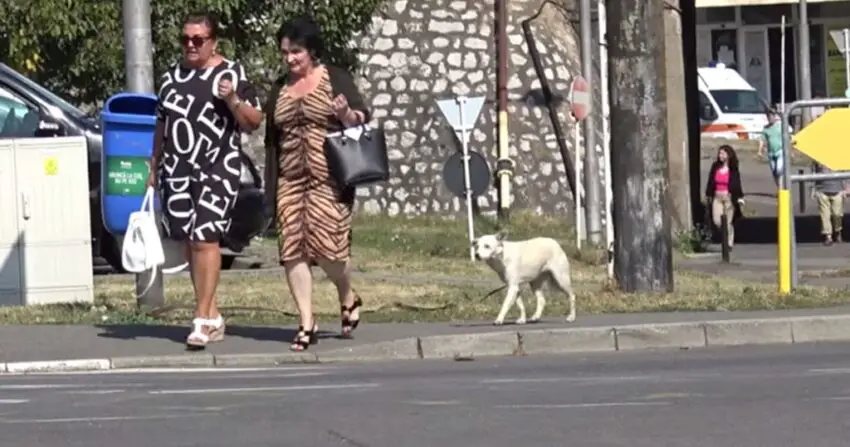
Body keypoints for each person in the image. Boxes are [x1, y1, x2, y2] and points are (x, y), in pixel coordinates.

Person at [147, 12, 264, 348]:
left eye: (198, 40)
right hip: (178, 169)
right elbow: (161, 124)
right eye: (185, 39)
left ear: (213, 42)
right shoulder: (171, 77)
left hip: (217, 167)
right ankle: (212, 314)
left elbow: (253, 121)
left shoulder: (231, 73)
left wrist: (232, 99)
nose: (190, 45)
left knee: (206, 237)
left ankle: (200, 321)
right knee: (188, 241)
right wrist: (153, 166)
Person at [264, 14, 370, 352]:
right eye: (285, 53)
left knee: (330, 252)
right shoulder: (280, 88)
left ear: (311, 51)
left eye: (296, 51)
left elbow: (360, 117)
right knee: (292, 250)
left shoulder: (334, 78)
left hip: (329, 179)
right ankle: (306, 320)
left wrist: (344, 115)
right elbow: (272, 135)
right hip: (290, 181)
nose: (290, 59)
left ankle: (346, 293)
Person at [705, 145, 745, 250]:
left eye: (722, 153)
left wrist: (739, 197)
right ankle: (726, 238)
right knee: (717, 221)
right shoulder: (715, 166)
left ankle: (729, 243)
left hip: (728, 197)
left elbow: (737, 183)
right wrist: (708, 194)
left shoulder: (733, 169)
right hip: (717, 197)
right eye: (719, 153)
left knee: (728, 222)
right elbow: (710, 181)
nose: (720, 155)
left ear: (728, 155)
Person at [812, 162, 849, 245]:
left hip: (838, 190)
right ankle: (828, 236)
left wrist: (847, 188)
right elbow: (813, 173)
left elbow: (846, 172)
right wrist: (814, 189)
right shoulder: (817, 157)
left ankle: (838, 230)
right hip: (822, 190)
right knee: (825, 215)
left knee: (837, 214)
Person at [758, 108, 785, 187]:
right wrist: (760, 151)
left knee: (779, 170)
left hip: (780, 151)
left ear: (774, 116)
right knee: (774, 172)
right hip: (771, 153)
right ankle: (779, 187)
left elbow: (787, 136)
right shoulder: (766, 128)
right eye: (768, 117)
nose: (769, 118)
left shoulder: (780, 125)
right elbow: (762, 140)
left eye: (771, 116)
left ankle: (781, 188)